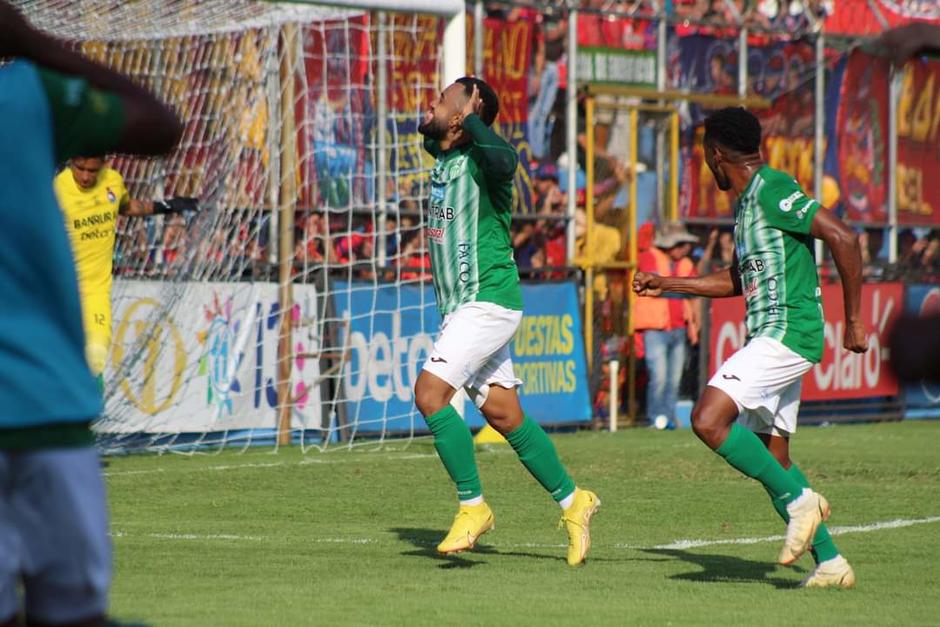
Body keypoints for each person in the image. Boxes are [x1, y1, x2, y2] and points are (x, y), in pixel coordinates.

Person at [0, 2, 183, 624]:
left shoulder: (108, 184)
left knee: (97, 356)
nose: (88, 167)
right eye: (82, 158)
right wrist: (32, 43)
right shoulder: (27, 105)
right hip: (37, 386)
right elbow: (161, 124)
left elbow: (127, 207)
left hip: (85, 308)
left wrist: (161, 208)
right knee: (73, 608)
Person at [633, 107, 867, 588]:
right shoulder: (747, 205)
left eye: (703, 155)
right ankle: (831, 562)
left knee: (707, 419)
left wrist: (855, 321)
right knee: (774, 458)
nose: (704, 164)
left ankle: (804, 503)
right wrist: (670, 284)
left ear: (716, 154)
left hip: (786, 332)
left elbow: (844, 237)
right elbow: (739, 279)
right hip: (772, 334)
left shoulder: (772, 189)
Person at [416, 76, 599, 566]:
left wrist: (470, 113)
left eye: (444, 97)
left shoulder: (485, 163)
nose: (432, 102)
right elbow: (425, 129)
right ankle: (574, 501)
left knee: (430, 394)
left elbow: (506, 160)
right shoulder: (447, 157)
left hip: (487, 300)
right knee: (504, 415)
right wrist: (450, 115)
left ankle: (473, 507)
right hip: (462, 307)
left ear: (464, 116)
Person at [54, 157, 195, 381]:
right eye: (80, 169)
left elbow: (128, 207)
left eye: (92, 170)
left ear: (103, 164)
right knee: (58, 359)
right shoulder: (57, 189)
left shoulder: (113, 182)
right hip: (61, 289)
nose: (85, 176)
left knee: (97, 355)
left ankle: (89, 414)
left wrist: (167, 206)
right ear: (71, 162)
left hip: (95, 290)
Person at [634, 222, 700, 430]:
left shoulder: (686, 264)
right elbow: (649, 284)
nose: (684, 249)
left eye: (685, 244)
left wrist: (695, 324)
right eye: (679, 244)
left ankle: (670, 419)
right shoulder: (649, 256)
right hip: (655, 328)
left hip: (678, 328)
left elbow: (696, 294)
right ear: (667, 245)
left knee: (674, 379)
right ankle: (656, 419)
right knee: (659, 377)